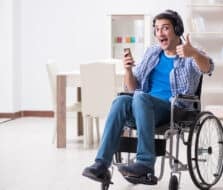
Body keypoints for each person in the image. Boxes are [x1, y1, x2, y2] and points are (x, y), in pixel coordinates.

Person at [82, 9, 214, 183]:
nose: (160, 33)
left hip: (175, 109)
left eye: (165, 28)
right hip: (143, 106)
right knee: (121, 100)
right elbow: (133, 87)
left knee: (140, 98)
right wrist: (128, 70)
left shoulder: (190, 54)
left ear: (177, 30)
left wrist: (195, 53)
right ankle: (101, 165)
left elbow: (208, 68)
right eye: (157, 29)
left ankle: (145, 163)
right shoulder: (152, 52)